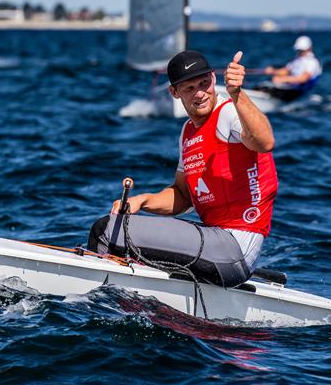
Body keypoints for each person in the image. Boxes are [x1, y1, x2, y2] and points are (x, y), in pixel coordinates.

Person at [87, 50, 278, 288]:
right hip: (215, 244)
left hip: (232, 248)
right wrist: (142, 201)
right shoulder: (188, 132)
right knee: (122, 236)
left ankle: (95, 304)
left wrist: (237, 94)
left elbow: (264, 142)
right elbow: (183, 195)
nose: (200, 93)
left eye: (204, 83)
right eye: (189, 88)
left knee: (106, 231)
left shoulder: (228, 113)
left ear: (214, 79)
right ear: (174, 92)